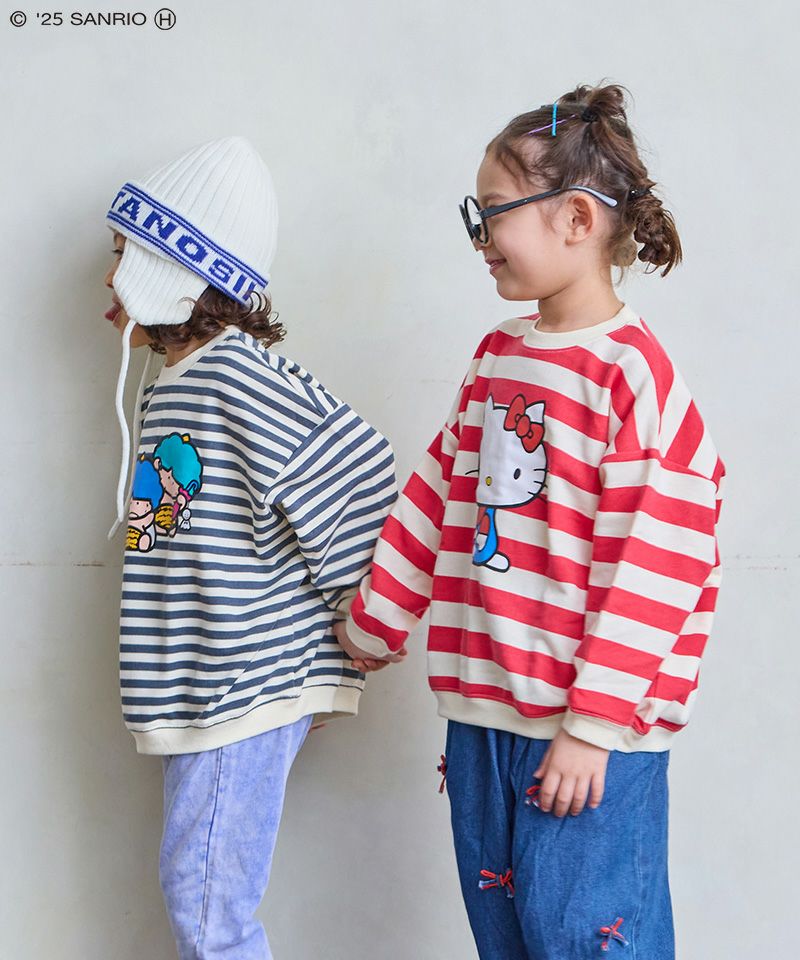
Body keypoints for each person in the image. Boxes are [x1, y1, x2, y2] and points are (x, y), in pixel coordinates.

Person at [335, 84, 725, 959]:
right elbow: (439, 493)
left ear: (576, 219)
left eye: (493, 213)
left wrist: (592, 726)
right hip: (484, 717)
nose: (481, 237)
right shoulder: (498, 358)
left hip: (587, 736)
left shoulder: (633, 379)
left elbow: (660, 566)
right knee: (509, 940)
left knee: (589, 940)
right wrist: (376, 618)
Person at [103, 135, 400, 959]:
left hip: (238, 683)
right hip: (209, 683)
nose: (107, 276)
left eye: (122, 254)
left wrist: (355, 625)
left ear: (170, 268)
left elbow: (358, 465)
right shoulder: (178, 379)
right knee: (203, 899)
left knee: (206, 910)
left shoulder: (234, 376)